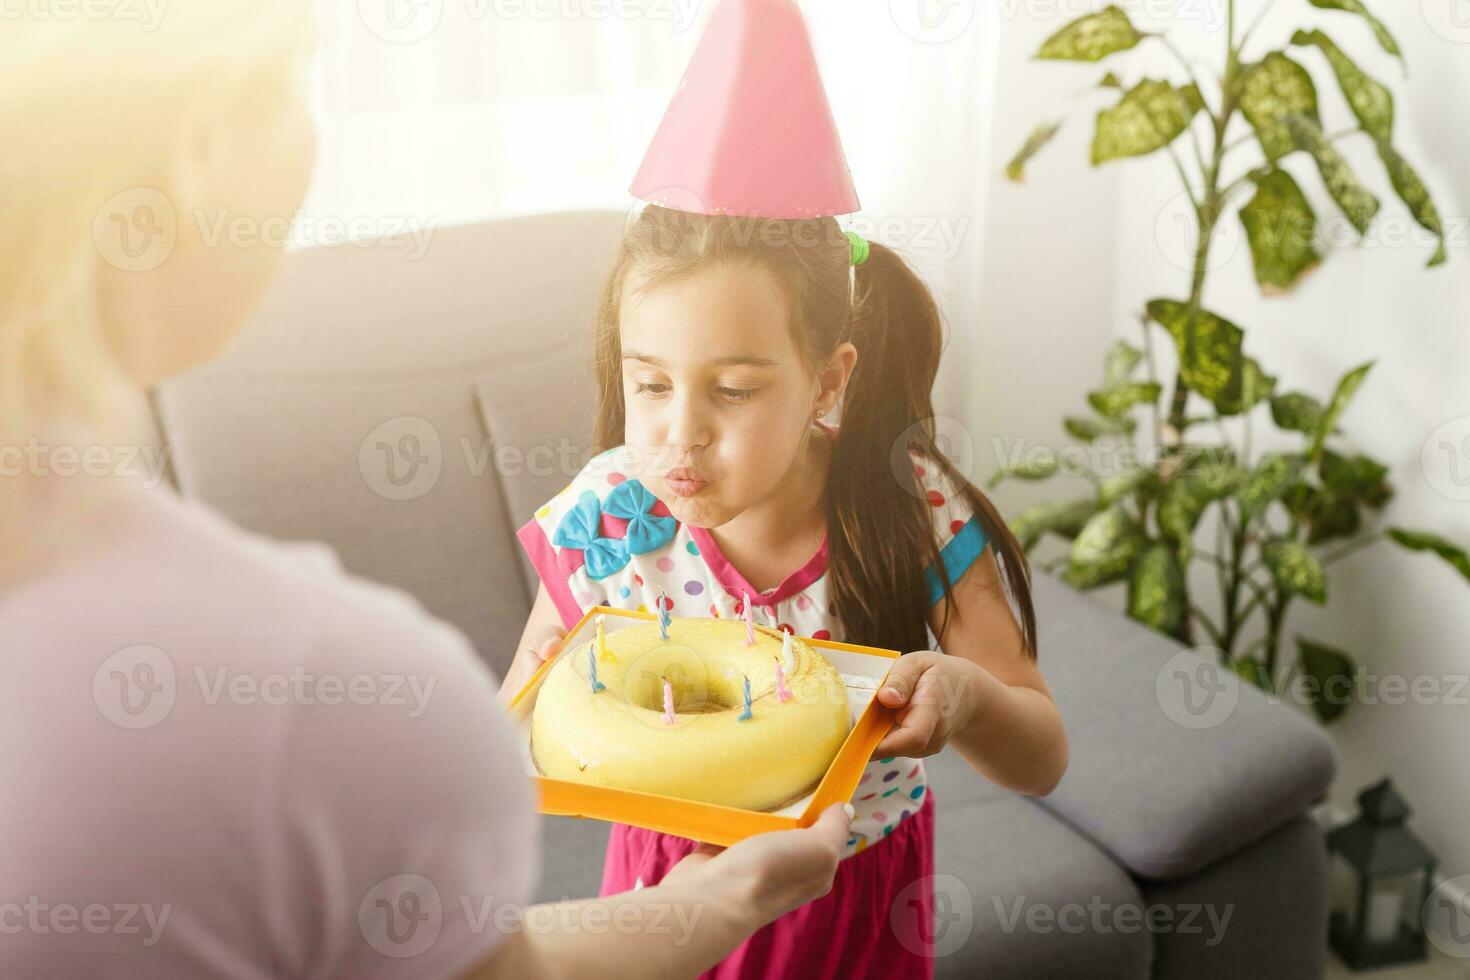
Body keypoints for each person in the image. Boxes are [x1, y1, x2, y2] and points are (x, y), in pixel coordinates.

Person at [0, 5, 852, 978]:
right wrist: (722, 896)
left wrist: (719, 894)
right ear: (202, 150)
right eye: (303, 76)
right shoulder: (334, 700)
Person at [504, 207, 1070, 977]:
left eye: (733, 390)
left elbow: (1041, 760)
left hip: (854, 894)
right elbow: (514, 738)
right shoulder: (608, 517)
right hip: (669, 891)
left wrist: (967, 698)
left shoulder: (913, 512)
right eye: (651, 384)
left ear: (826, 381)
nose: (682, 431)